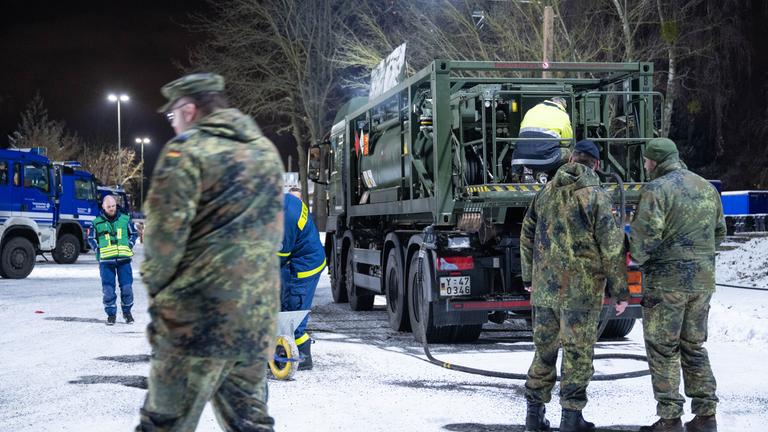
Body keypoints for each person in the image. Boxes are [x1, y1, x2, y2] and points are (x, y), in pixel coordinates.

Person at [137, 73, 284, 432]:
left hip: (196, 320)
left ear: (189, 109)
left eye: (172, 116)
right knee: (251, 424)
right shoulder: (265, 152)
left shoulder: (186, 152)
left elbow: (162, 240)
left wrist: (159, 292)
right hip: (254, 320)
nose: (172, 125)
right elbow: (272, 234)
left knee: (164, 425)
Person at [520, 139, 629, 432]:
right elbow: (612, 246)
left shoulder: (545, 193)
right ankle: (570, 418)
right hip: (580, 293)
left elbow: (527, 233)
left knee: (543, 351)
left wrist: (530, 278)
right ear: (595, 164)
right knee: (578, 353)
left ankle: (534, 416)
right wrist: (620, 291)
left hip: (544, 291)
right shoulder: (596, 196)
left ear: (570, 160)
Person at [630, 138, 725, 432]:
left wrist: (638, 257)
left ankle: (670, 418)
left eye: (646, 161)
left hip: (666, 284)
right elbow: (719, 233)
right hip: (702, 282)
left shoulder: (656, 190)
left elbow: (643, 242)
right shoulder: (706, 187)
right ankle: (706, 416)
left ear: (654, 162)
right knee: (694, 346)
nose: (645, 166)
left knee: (663, 348)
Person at [278, 192, 326, 370]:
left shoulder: (285, 217)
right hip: (299, 259)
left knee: (291, 312)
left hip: (304, 267)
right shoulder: (285, 202)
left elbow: (278, 258)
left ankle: (302, 357)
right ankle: (285, 350)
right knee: (285, 308)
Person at [88, 194, 138, 325]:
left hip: (124, 260)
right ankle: (111, 315)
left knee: (127, 288)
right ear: (103, 207)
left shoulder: (125, 219)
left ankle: (127, 313)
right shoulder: (97, 222)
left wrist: (130, 245)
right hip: (106, 262)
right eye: (109, 206)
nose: (112, 208)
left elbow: (134, 234)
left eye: (113, 206)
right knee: (108, 290)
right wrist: (97, 250)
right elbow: (91, 238)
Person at [511, 97, 574, 176]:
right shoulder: (563, 115)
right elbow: (566, 141)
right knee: (568, 152)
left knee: (520, 146)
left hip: (522, 159)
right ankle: (556, 178)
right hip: (545, 160)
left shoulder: (531, 110)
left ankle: (516, 172)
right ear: (562, 105)